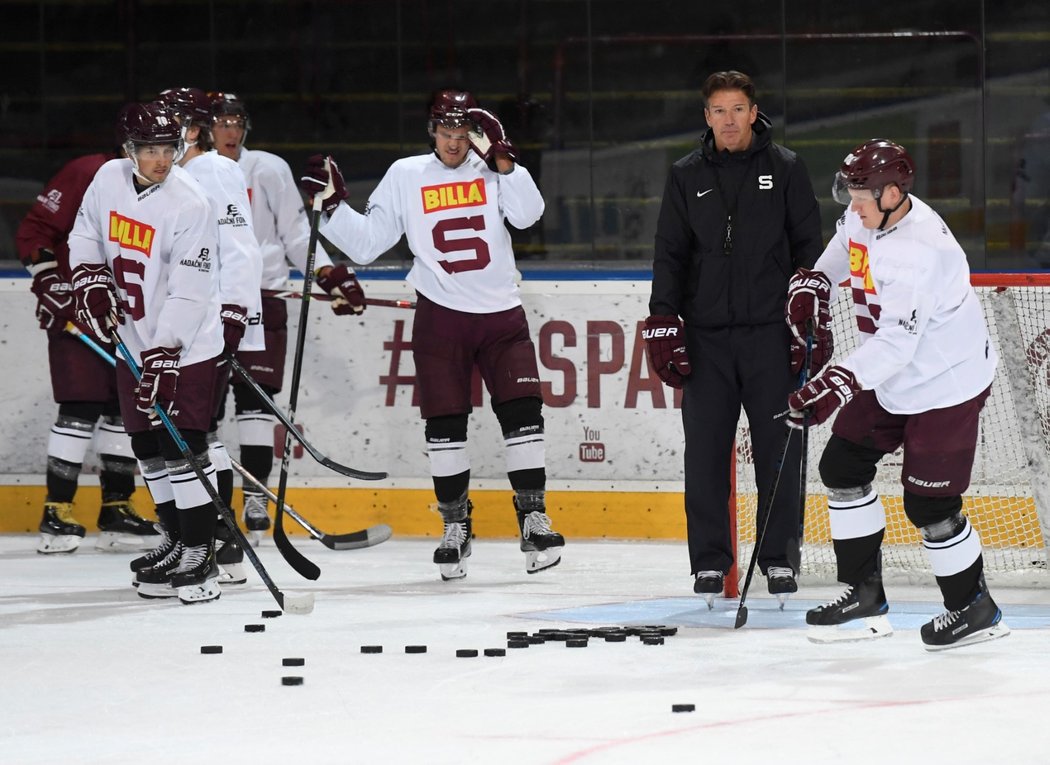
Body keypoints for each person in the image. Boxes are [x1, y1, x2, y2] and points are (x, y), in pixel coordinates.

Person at [298, 88, 564, 580]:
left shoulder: (492, 168)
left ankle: (533, 519)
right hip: (441, 317)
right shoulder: (406, 175)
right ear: (432, 131)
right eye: (446, 133)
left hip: (502, 314)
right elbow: (368, 244)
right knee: (445, 427)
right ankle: (455, 525)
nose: (454, 143)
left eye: (463, 134)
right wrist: (331, 206)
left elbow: (529, 216)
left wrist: (505, 160)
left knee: (524, 418)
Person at [786, 139, 1010, 650]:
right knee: (842, 468)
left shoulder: (920, 251)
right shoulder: (868, 216)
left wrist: (836, 383)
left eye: (861, 196)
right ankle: (864, 597)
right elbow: (845, 246)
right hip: (892, 374)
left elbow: (897, 342)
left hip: (944, 384)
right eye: (850, 194)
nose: (852, 206)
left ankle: (974, 607)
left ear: (893, 193)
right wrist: (818, 280)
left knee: (930, 505)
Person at [644, 70, 824, 607]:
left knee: (780, 454)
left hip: (771, 336)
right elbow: (669, 254)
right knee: (704, 455)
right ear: (706, 117)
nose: (728, 119)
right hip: (706, 340)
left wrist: (806, 314)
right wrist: (662, 319)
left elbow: (808, 247)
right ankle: (709, 562)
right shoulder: (685, 175)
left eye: (737, 109)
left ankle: (778, 561)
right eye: (718, 110)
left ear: (753, 112)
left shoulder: (786, 168)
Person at [67, 101, 225, 604]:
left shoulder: (190, 203)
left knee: (186, 447)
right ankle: (176, 540)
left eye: (168, 149)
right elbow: (85, 232)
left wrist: (166, 352)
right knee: (147, 446)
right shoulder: (109, 179)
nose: (161, 159)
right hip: (133, 337)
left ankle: (202, 552)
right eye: (149, 150)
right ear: (128, 150)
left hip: (187, 344)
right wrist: (90, 279)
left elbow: (189, 288)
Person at [209, 91, 365, 543]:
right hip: (209, 302)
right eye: (222, 121)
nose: (232, 131)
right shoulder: (191, 174)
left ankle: (255, 498)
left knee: (256, 404)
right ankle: (213, 504)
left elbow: (297, 235)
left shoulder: (268, 169)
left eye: (238, 121)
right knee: (208, 408)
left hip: (263, 297)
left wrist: (329, 275)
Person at [16, 121, 159, 554]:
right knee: (80, 406)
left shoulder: (167, 186)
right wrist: (51, 281)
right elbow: (35, 230)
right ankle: (56, 511)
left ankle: (116, 505)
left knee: (122, 410)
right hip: (78, 314)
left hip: (129, 318)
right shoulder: (87, 172)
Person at [157, 86, 264, 584]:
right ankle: (221, 539)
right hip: (177, 322)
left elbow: (241, 248)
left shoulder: (215, 170)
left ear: (194, 128)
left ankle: (216, 540)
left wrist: (235, 312)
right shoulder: (171, 174)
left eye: (173, 122)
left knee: (195, 431)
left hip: (209, 321)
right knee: (199, 431)